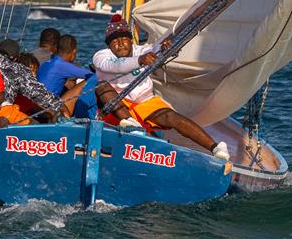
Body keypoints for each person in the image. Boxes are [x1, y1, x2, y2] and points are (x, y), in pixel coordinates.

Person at [93, 15, 230, 161]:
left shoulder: (142, 51)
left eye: (124, 39)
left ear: (130, 41)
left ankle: (216, 147)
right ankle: (133, 127)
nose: (120, 44)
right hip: (117, 108)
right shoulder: (101, 56)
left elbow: (154, 49)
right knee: (101, 86)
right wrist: (140, 61)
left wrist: (164, 49)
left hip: (144, 102)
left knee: (172, 117)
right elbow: (116, 65)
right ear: (109, 46)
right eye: (114, 41)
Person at [0, 39, 66, 121]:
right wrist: (60, 106)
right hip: (3, 115)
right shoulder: (16, 68)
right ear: (16, 59)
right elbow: (39, 94)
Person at [37, 34, 98, 118]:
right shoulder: (62, 65)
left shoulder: (45, 64)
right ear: (74, 52)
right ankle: (90, 116)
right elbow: (93, 75)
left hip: (37, 107)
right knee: (92, 79)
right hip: (50, 108)